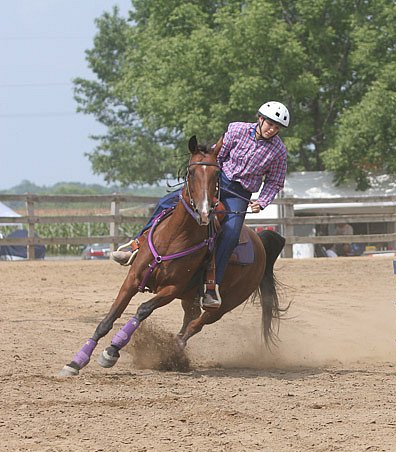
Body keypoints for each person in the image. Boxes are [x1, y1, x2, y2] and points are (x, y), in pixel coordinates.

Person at [111, 101, 290, 309]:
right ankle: (136, 247)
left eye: (277, 127)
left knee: (231, 234)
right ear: (260, 118)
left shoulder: (278, 151)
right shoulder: (236, 129)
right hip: (215, 180)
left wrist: (262, 201)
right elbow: (218, 156)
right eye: (270, 123)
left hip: (239, 194)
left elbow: (275, 181)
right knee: (165, 202)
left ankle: (211, 286)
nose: (272, 129)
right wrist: (208, 179)